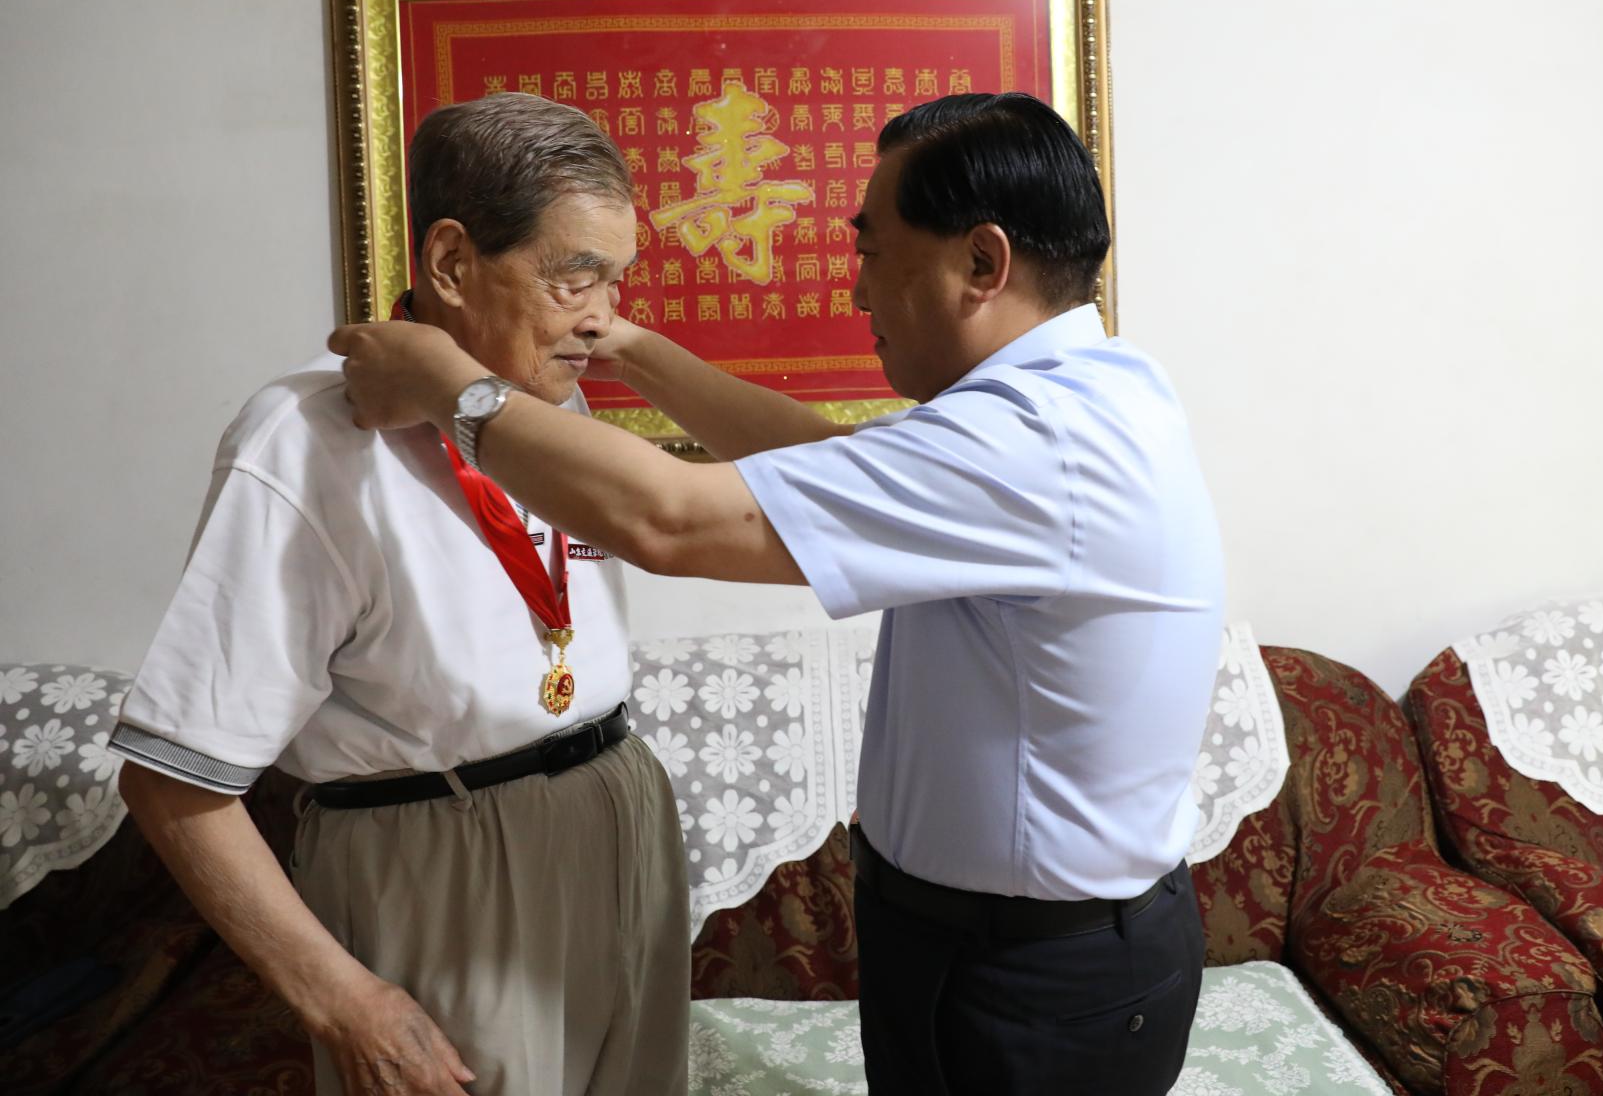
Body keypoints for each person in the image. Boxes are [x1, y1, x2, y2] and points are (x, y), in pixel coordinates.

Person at [331, 92, 1226, 1096]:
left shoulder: (1032, 442)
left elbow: (669, 519)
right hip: (994, 941)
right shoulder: (1082, 391)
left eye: (874, 251)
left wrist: (447, 385)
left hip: (1033, 971)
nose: (858, 290)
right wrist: (628, 345)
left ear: (983, 263)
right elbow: (823, 462)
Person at [112, 92, 688, 1096]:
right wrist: (341, 998)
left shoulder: (542, 398)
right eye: (574, 277)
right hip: (447, 862)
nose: (603, 318)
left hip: (618, 817)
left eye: (616, 278)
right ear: (452, 262)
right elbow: (171, 782)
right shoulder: (304, 439)